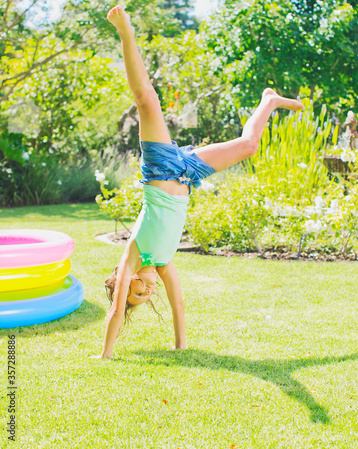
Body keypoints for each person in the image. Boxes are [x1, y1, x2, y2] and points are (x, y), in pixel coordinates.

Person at [92, 5, 304, 359]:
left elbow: (115, 313)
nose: (148, 291)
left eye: (138, 291)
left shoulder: (133, 256)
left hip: (160, 168)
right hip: (188, 173)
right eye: (145, 297)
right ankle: (269, 100)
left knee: (147, 101)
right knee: (248, 146)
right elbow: (178, 307)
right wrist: (181, 348)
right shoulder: (164, 262)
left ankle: (125, 31)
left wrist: (106, 355)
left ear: (128, 280)